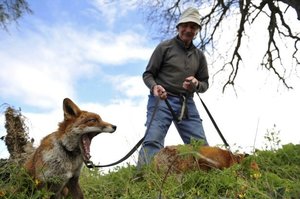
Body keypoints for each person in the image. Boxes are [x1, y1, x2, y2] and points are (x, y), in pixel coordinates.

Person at [137, 7, 209, 169]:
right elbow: (148, 74)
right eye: (185, 25)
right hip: (162, 100)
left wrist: (196, 84)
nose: (188, 29)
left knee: (201, 145)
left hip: (187, 104)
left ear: (197, 31)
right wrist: (155, 87)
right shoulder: (165, 47)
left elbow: (205, 84)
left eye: (193, 26)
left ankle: (205, 181)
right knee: (153, 140)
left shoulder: (199, 56)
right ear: (178, 27)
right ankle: (141, 181)